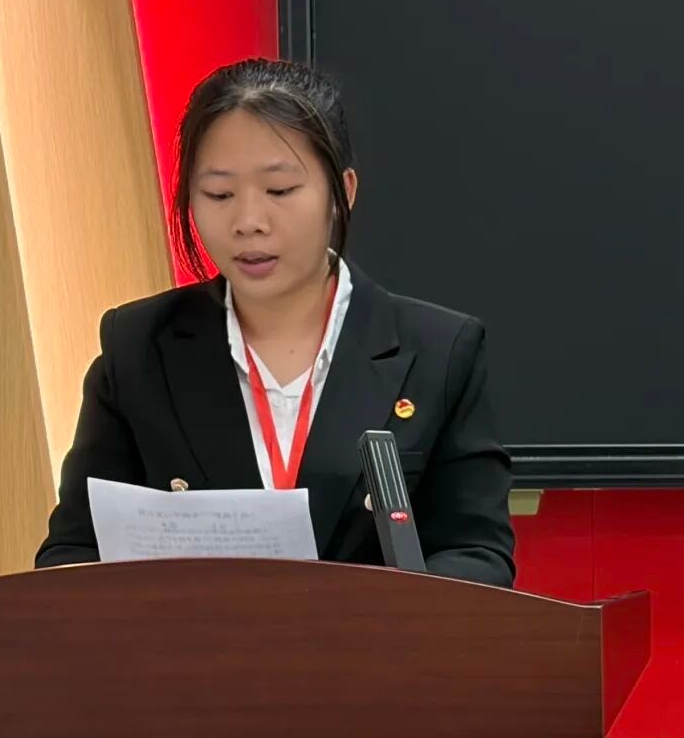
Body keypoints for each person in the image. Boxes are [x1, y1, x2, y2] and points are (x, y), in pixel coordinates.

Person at [35, 59, 515, 586]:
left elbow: (478, 555)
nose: (249, 222)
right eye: (219, 195)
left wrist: (365, 617)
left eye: (280, 190)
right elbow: (72, 553)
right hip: (195, 639)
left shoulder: (439, 351)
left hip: (372, 640)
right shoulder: (138, 347)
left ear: (342, 192)